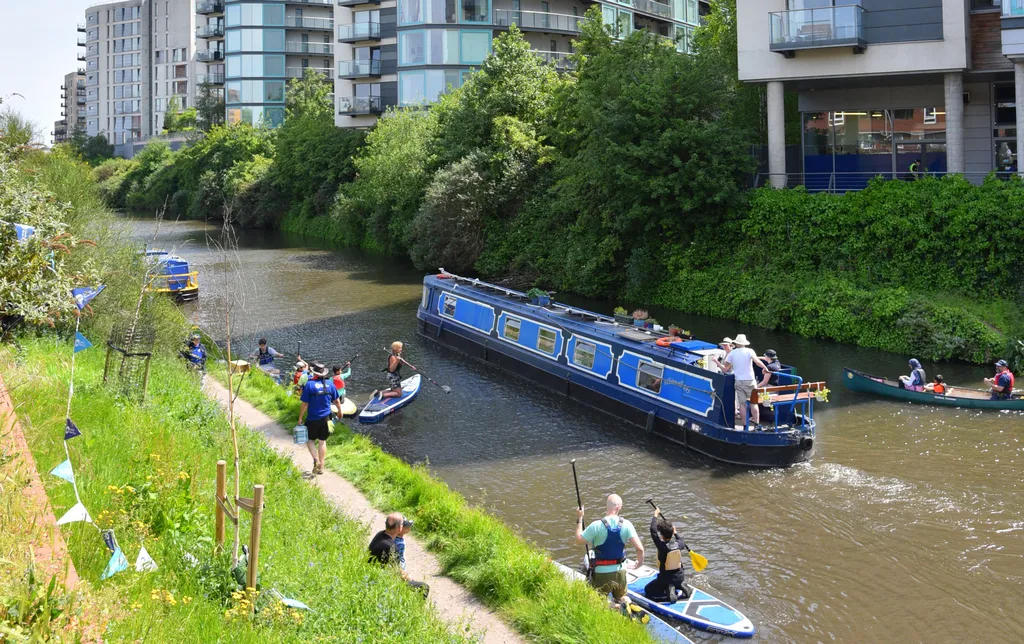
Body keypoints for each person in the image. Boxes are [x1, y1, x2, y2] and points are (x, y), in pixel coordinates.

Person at [575, 494, 644, 605]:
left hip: (601, 573)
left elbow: (579, 540)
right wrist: (639, 563)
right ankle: (628, 605)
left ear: (606, 506)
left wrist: (580, 518)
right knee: (622, 596)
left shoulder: (596, 525)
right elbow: (640, 549)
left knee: (597, 601)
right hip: (620, 571)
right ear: (619, 508)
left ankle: (614, 607)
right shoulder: (627, 525)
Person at [711, 334, 769, 428]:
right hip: (750, 381)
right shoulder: (750, 351)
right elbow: (757, 362)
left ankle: (745, 425)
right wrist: (765, 368)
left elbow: (725, 368)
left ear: (736, 343)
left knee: (742, 404)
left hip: (739, 381)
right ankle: (757, 425)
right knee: (754, 403)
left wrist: (718, 362)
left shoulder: (732, 354)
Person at [368, 512, 429, 596]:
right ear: (400, 528)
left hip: (370, 573)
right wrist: (409, 579)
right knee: (424, 587)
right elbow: (397, 574)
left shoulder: (380, 534)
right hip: (380, 580)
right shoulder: (392, 547)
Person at [298, 362, 339, 475]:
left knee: (310, 440)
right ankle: (321, 466)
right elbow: (337, 401)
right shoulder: (330, 384)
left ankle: (315, 460)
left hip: (312, 419)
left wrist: (300, 417)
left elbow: (305, 404)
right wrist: (340, 412)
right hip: (326, 419)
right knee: (322, 441)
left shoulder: (310, 385)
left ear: (314, 373)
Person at [644, 507, 689, 603]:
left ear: (662, 536)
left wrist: (655, 515)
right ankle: (679, 585)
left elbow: (653, 531)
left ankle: (669, 591)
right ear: (672, 532)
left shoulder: (662, 547)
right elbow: (681, 540)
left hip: (666, 579)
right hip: (680, 576)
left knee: (648, 590)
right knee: (674, 580)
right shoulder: (680, 544)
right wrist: (675, 533)